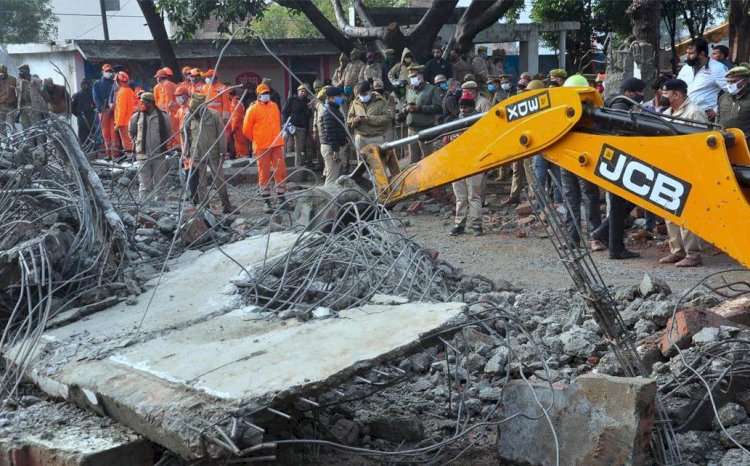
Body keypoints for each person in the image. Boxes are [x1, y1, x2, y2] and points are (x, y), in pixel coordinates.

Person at [590, 77, 647, 260]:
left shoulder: (614, 103)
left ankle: (603, 233)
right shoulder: (620, 108)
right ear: (630, 92)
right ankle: (616, 248)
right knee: (618, 204)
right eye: (639, 92)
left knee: (624, 202)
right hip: (616, 160)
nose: (642, 96)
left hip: (612, 160)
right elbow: (622, 133)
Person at [660, 78, 707, 267]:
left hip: (689, 168)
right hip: (671, 165)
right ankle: (677, 251)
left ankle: (693, 254)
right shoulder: (666, 113)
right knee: (668, 208)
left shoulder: (694, 113)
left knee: (687, 211)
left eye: (665, 93)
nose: (662, 97)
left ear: (676, 95)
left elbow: (701, 144)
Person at [559, 74, 601, 249]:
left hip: (585, 158)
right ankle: (572, 238)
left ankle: (594, 237)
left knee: (588, 197)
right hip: (567, 158)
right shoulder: (562, 110)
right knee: (571, 198)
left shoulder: (592, 113)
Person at [243, 83, 289, 213]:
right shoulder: (252, 109)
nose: (265, 95)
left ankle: (281, 199)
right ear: (258, 95)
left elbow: (277, 122)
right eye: (263, 93)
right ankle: (266, 201)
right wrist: (257, 139)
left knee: (280, 171)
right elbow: (246, 130)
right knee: (264, 173)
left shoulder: (274, 106)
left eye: (267, 93)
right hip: (262, 146)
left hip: (276, 144)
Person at [185, 94, 233, 213]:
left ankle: (226, 205)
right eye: (191, 109)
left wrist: (223, 152)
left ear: (202, 108)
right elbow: (185, 135)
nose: (192, 111)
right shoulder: (188, 117)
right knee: (201, 183)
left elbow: (221, 135)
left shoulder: (213, 115)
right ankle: (205, 208)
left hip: (213, 154)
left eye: (194, 109)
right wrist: (186, 151)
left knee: (219, 180)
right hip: (197, 155)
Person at [446, 91, 484, 237]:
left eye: (465, 108)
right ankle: (459, 224)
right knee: (460, 196)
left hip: (474, 163)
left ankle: (476, 225)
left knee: (473, 195)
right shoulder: (455, 123)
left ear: (472, 107)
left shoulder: (479, 123)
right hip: (457, 163)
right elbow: (447, 140)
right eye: (461, 108)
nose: (463, 110)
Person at [128, 92, 172, 201]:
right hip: (143, 156)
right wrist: (137, 142)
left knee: (160, 183)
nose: (141, 104)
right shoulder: (136, 116)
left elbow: (169, 133)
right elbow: (131, 132)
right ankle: (143, 206)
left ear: (150, 103)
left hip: (159, 155)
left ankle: (160, 207)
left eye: (143, 102)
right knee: (144, 184)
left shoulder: (163, 116)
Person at [677, 37, 728, 122]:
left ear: (701, 54)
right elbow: (677, 87)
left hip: (704, 116)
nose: (688, 56)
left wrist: (716, 109)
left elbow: (731, 91)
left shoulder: (718, 68)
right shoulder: (686, 68)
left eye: (691, 53)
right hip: (683, 113)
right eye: (687, 53)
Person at [400, 65, 442, 163]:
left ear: (421, 76)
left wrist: (420, 108)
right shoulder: (409, 90)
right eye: (411, 77)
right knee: (413, 161)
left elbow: (438, 108)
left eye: (414, 77)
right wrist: (406, 109)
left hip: (426, 130)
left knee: (428, 160)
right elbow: (403, 106)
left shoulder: (432, 89)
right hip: (411, 130)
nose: (412, 79)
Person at [319, 86, 349, 185]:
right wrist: (335, 150)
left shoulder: (334, 109)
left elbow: (337, 129)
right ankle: (328, 198)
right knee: (332, 178)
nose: (340, 98)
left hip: (334, 146)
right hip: (331, 147)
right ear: (330, 98)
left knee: (334, 175)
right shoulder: (329, 111)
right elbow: (330, 132)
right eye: (337, 96)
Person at [348, 81, 390, 149]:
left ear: (370, 91)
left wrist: (369, 119)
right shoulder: (355, 102)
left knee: (378, 159)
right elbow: (349, 119)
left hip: (376, 137)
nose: (362, 96)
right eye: (360, 94)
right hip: (361, 138)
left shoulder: (381, 101)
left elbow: (387, 118)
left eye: (364, 94)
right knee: (362, 159)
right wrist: (354, 121)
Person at [281, 84, 312, 167]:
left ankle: (297, 166)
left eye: (305, 92)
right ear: (298, 91)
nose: (303, 93)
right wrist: (284, 123)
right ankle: (282, 160)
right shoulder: (291, 100)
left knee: (299, 148)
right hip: (290, 125)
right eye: (302, 91)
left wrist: (309, 109)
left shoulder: (308, 102)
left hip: (301, 127)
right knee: (284, 138)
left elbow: (308, 117)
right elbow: (284, 112)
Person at [717, 65, 750, 140]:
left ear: (746, 80)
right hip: (723, 143)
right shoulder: (723, 98)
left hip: (745, 145)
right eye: (728, 82)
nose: (730, 85)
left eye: (733, 81)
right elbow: (718, 119)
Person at [93, 64, 117, 157]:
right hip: (103, 112)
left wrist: (111, 109)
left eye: (110, 71)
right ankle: (108, 154)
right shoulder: (97, 84)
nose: (108, 73)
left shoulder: (114, 83)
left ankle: (115, 154)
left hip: (113, 111)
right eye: (107, 71)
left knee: (114, 133)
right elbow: (96, 99)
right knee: (105, 133)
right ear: (102, 72)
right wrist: (103, 110)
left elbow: (116, 97)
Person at [113, 71, 135, 156]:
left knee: (127, 141)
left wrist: (118, 124)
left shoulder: (123, 92)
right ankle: (131, 157)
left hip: (124, 122)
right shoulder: (128, 90)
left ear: (120, 81)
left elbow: (122, 110)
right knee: (130, 140)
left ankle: (130, 158)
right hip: (129, 120)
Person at [228, 88, 250, 158]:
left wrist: (234, 127)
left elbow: (237, 116)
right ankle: (241, 155)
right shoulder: (237, 101)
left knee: (240, 142)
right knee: (239, 142)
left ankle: (243, 156)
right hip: (239, 125)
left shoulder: (235, 102)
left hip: (238, 126)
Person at [72, 79, 95, 144]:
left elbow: (95, 104)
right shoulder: (76, 95)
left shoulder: (92, 94)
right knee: (82, 135)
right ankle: (84, 150)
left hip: (91, 116)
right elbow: (72, 107)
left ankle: (93, 150)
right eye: (84, 85)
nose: (86, 87)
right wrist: (78, 114)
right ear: (81, 86)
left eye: (87, 85)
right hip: (81, 117)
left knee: (92, 134)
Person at [0, 64, 18, 136]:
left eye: (3, 72)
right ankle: (4, 143)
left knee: (11, 126)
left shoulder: (13, 79)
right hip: (1, 106)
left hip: (11, 106)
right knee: (1, 127)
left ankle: (16, 143)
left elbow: (18, 91)